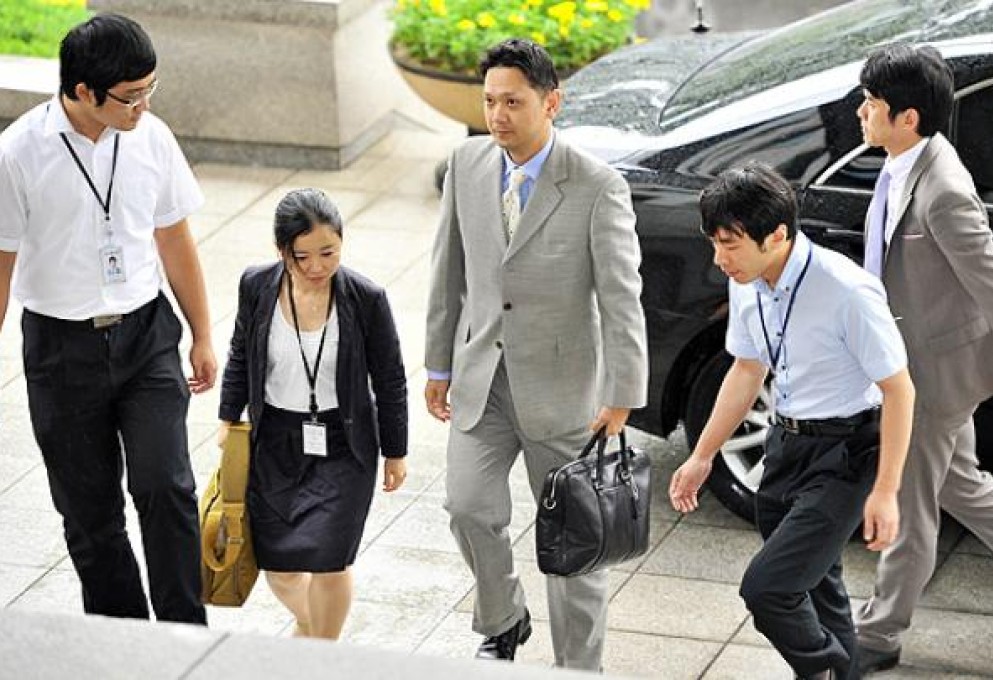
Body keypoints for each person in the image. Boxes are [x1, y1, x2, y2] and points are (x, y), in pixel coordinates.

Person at [424, 38, 647, 670]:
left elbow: (621, 297)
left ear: (551, 103)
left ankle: (578, 668)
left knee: (576, 546)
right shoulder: (466, 165)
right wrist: (438, 365)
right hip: (483, 381)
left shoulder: (597, 186)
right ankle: (504, 618)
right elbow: (447, 273)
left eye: (513, 102)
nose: (497, 115)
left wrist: (622, 394)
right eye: (489, 101)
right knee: (467, 508)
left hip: (565, 393)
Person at [0, 13, 215, 623]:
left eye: (151, 89)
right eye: (131, 95)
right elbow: (1, 269)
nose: (144, 106)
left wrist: (202, 334)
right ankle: (125, 640)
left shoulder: (152, 138)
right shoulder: (17, 154)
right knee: (90, 515)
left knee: (166, 486)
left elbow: (174, 238)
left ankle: (185, 636)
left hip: (146, 336)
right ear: (83, 91)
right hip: (60, 350)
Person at [669, 162, 915, 680]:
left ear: (777, 235)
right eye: (714, 243)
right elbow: (747, 368)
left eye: (730, 244)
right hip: (786, 444)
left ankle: (824, 669)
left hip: (848, 454)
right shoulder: (746, 280)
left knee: (768, 589)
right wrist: (702, 455)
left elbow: (900, 390)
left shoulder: (846, 291)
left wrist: (886, 491)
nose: (719, 259)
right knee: (820, 590)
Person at [853, 44, 993, 674]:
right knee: (962, 486)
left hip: (932, 376)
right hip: (916, 358)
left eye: (872, 103)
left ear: (909, 118)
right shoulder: (904, 162)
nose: (861, 112)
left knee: (908, 500)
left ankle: (878, 633)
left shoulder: (943, 192)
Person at [218, 188, 408, 640]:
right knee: (279, 566)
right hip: (276, 442)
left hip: (344, 443)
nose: (317, 267)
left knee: (330, 560)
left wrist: (395, 452)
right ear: (281, 250)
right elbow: (241, 352)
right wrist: (227, 417)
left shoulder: (366, 298)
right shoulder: (257, 286)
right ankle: (312, 628)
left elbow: (390, 379)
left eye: (329, 252)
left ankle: (322, 650)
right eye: (301, 257)